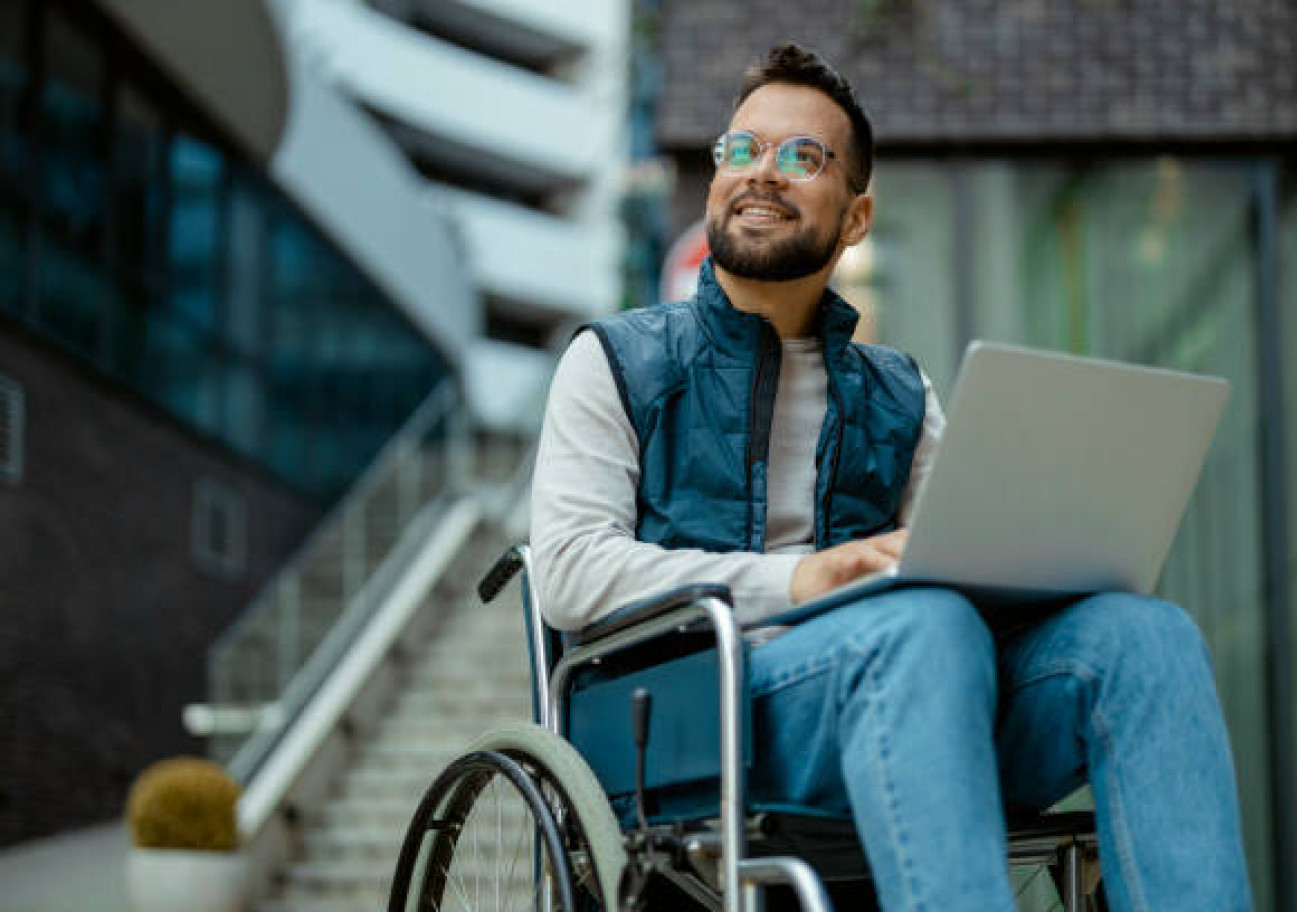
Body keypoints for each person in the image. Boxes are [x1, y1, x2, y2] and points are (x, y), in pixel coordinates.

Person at [530, 42, 1252, 912]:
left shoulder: (900, 392)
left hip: (913, 693)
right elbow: (568, 573)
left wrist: (1045, 566)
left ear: (857, 217)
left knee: (1144, 638)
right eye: (742, 150)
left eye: (802, 157)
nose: (762, 173)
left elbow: (950, 566)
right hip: (697, 713)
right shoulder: (617, 360)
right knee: (922, 627)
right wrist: (800, 578)